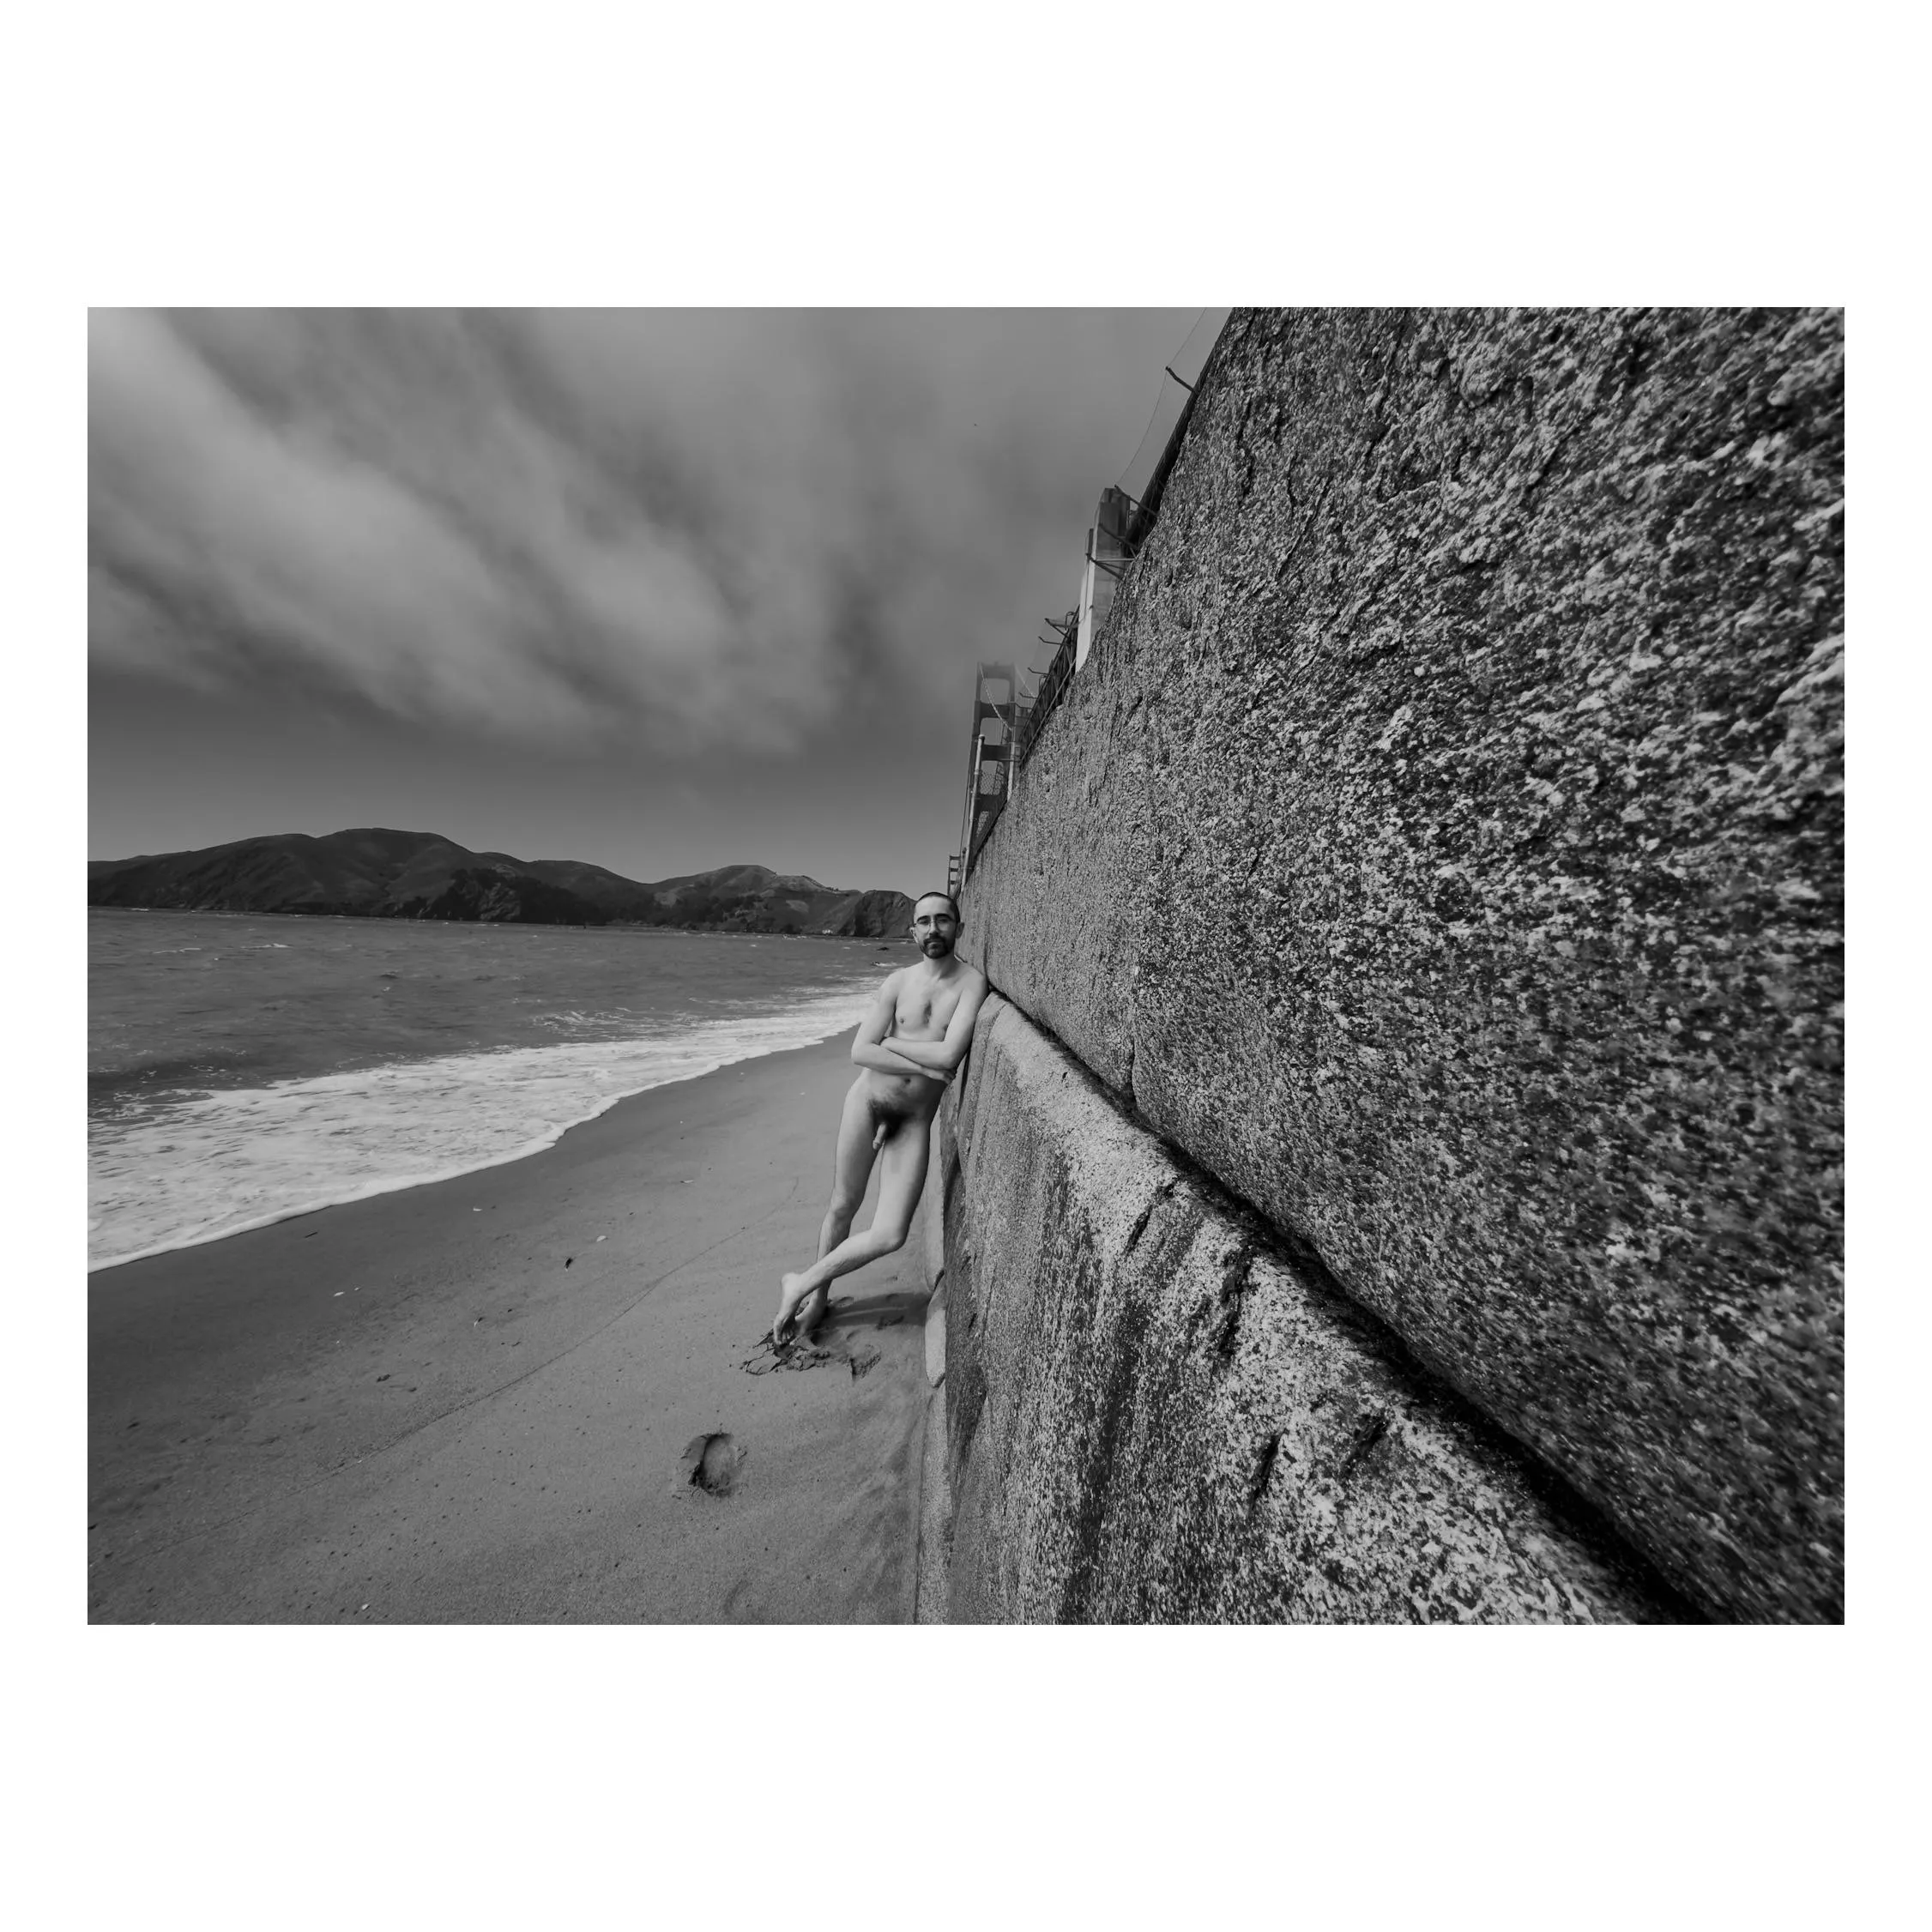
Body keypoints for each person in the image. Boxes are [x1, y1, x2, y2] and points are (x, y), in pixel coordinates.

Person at [772, 891, 987, 1346]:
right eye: (924, 922)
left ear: (959, 928)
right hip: (868, 1103)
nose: (933, 929)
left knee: (890, 1233)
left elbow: (950, 1052)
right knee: (842, 1206)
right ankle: (816, 1300)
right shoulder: (896, 982)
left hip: (912, 1120)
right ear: (912, 931)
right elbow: (859, 1051)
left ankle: (800, 1281)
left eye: (943, 921)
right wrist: (925, 1066)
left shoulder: (972, 984)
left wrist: (891, 1045)